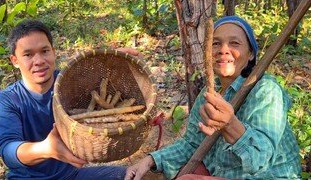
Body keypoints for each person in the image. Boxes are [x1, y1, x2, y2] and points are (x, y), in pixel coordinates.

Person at [125, 16, 301, 179]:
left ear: (251, 54)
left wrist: (230, 125)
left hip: (267, 176)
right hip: (226, 172)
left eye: (234, 43)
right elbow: (192, 144)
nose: (224, 50)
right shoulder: (208, 94)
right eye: (216, 44)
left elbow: (261, 160)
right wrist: (150, 160)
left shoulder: (265, 90)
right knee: (173, 171)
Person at [0, 19, 140, 179]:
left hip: (71, 175)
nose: (39, 61)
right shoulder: (6, 101)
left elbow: (100, 75)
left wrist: (116, 62)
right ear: (15, 61)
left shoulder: (68, 83)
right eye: (28, 54)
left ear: (53, 52)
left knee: (132, 175)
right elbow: (9, 151)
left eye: (45, 51)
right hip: (27, 178)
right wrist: (45, 149)